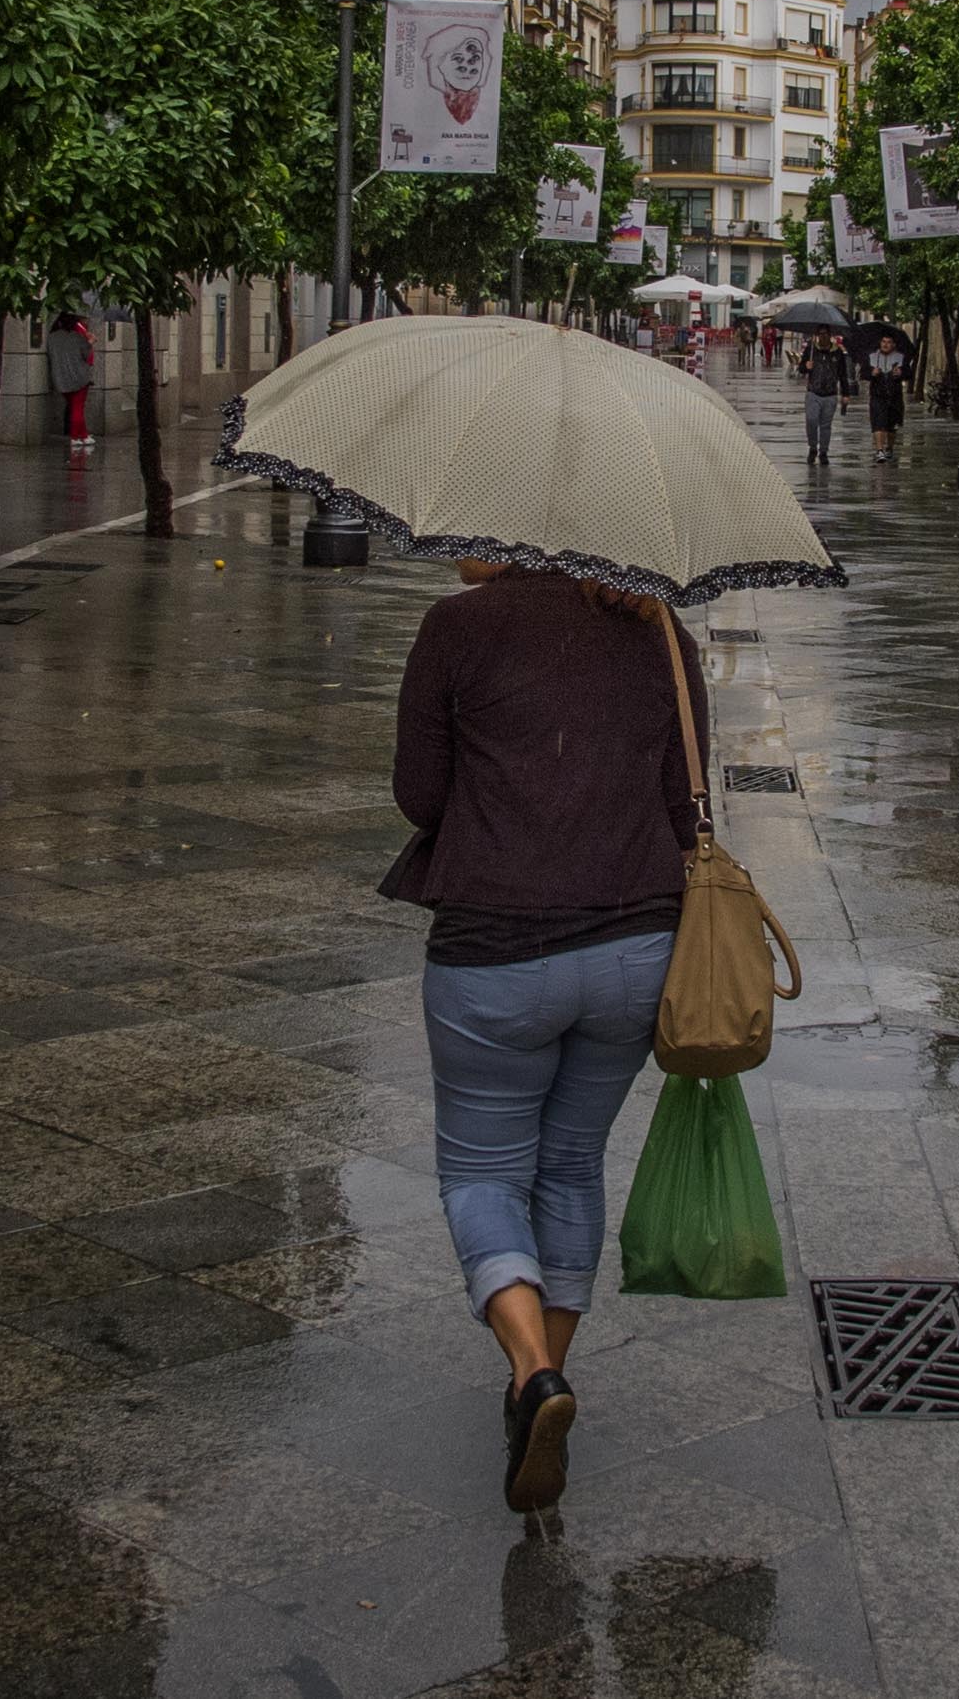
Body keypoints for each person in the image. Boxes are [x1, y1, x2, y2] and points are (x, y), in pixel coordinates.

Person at [389, 560, 702, 1515]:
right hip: (635, 949)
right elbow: (683, 805)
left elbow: (420, 795)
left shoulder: (458, 626)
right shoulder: (660, 630)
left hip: (495, 949)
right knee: (570, 1166)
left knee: (483, 1174)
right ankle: (544, 1383)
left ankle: (531, 1373)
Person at [43, 309, 97, 449]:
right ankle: (75, 437)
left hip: (60, 378)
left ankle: (83, 435)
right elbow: (85, 354)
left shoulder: (52, 337)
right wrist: (90, 342)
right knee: (78, 408)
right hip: (79, 377)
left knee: (74, 407)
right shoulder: (77, 337)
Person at [802, 333, 851, 466]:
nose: (823, 337)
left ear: (830, 336)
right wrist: (806, 366)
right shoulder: (811, 350)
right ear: (817, 335)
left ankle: (823, 452)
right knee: (811, 420)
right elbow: (801, 369)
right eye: (821, 334)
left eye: (826, 334)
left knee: (826, 425)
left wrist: (845, 394)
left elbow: (843, 374)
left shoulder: (837, 352)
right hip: (813, 392)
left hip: (830, 394)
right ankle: (813, 447)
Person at [865, 336, 908, 462]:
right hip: (877, 395)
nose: (885, 344)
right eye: (883, 341)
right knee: (878, 423)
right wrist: (872, 373)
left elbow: (909, 373)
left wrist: (901, 373)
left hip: (894, 396)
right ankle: (879, 450)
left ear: (893, 344)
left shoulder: (900, 357)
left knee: (891, 426)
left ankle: (889, 448)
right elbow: (863, 373)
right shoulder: (872, 357)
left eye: (889, 342)